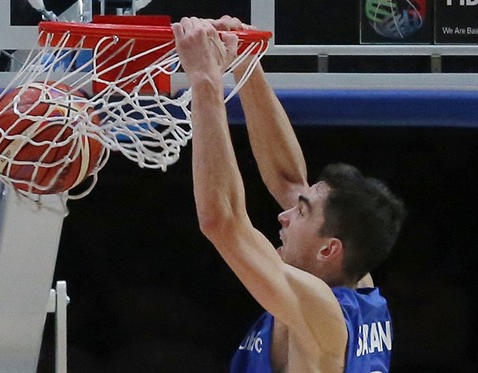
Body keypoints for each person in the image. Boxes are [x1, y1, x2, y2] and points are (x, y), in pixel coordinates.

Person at [173, 16, 406, 373]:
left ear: (329, 249)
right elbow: (288, 182)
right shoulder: (357, 281)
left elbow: (223, 223)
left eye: (300, 213)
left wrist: (205, 82)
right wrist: (247, 64)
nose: (283, 215)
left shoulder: (321, 312)